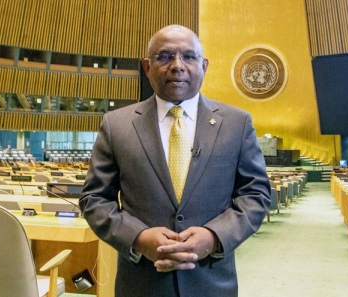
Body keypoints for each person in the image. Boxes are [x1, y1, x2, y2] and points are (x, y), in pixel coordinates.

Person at [79, 25, 271, 297]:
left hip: (212, 283)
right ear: (147, 67)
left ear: (203, 65)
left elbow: (256, 195)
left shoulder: (236, 124)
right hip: (142, 284)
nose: (177, 66)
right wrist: (138, 238)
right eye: (164, 56)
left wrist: (215, 237)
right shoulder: (116, 125)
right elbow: (95, 199)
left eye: (189, 57)